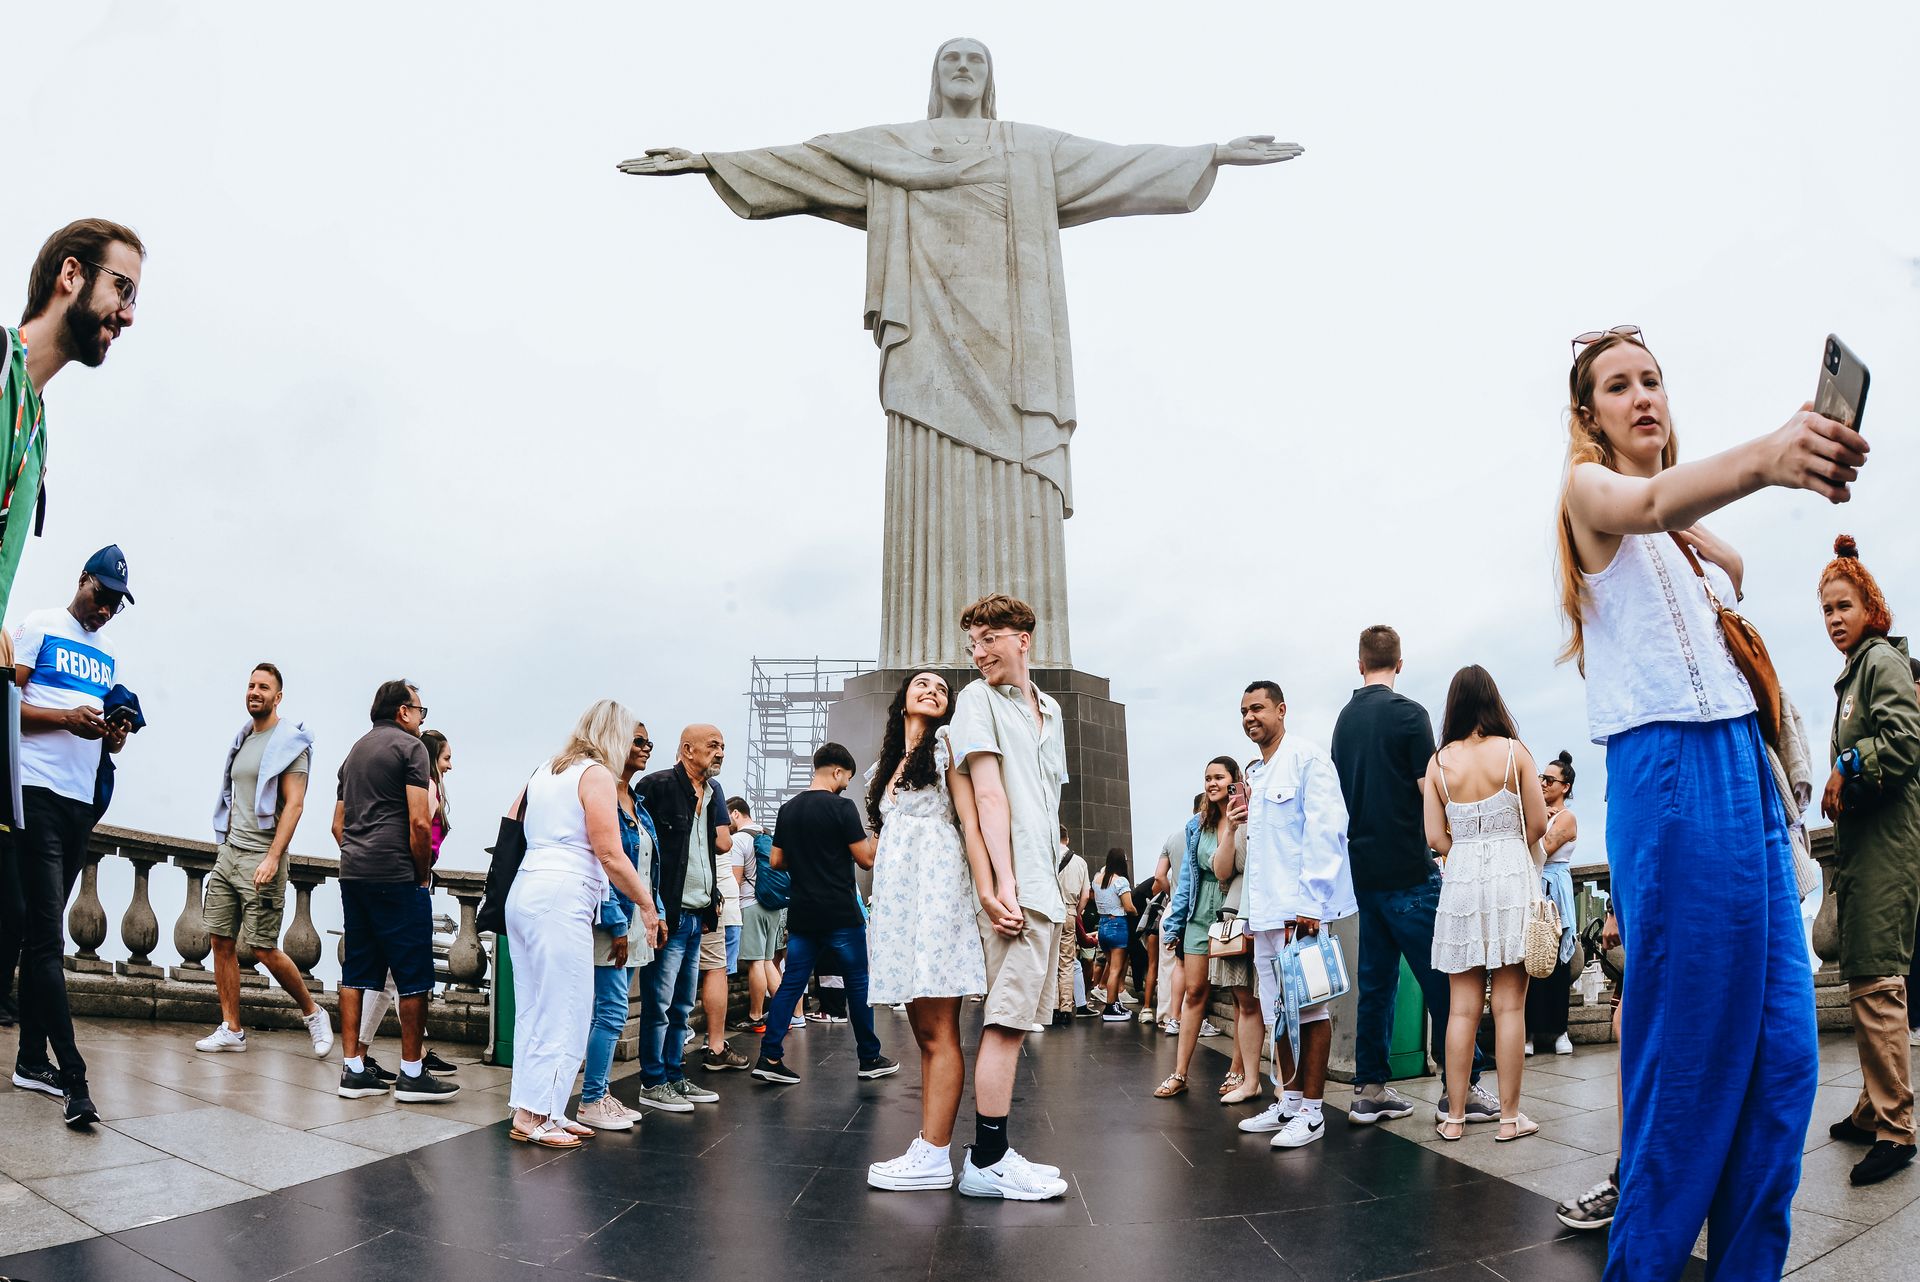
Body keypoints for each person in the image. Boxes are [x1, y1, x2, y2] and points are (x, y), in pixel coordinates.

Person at [1555, 327, 1860, 1279]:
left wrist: (1717, 537)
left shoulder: (1676, 539)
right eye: (1618, 386)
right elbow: (1642, 499)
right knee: (1682, 1072)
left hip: (1742, 775)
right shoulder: (1589, 495)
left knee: (1784, 1064)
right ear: (1589, 417)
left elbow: (1680, 516)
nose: (1643, 396)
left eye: (1654, 380)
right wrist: (1771, 457)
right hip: (1669, 775)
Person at [1329, 625, 1494, 1127]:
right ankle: (1459, 1088)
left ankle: (1370, 1089)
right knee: (1445, 981)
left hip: (1363, 873)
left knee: (1376, 984)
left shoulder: (1344, 721)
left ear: (1360, 664)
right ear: (1399, 664)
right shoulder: (1410, 714)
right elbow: (1430, 790)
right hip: (1409, 870)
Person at [6, 547, 137, 1125]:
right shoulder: (38, 625)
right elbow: (7, 709)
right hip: (33, 791)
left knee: (43, 938)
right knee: (45, 942)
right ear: (82, 580)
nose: (106, 609)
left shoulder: (106, 656)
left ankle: (32, 1061)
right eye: (101, 595)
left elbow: (102, 735)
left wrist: (112, 735)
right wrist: (64, 719)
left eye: (115, 603)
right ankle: (75, 1078)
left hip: (78, 805)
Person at [949, 592, 1070, 1199]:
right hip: (1015, 886)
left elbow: (1049, 802)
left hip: (1043, 884)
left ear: (1022, 638)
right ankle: (987, 1160)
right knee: (1003, 1021)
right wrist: (1000, 885)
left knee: (1017, 1022)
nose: (978, 653)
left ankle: (994, 1152)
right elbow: (987, 796)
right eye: (972, 643)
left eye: (988, 639)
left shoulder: (1048, 708)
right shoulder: (976, 700)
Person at [502, 700, 658, 1148]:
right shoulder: (597, 776)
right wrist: (645, 904)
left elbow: (513, 823)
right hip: (562, 895)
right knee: (568, 1008)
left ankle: (533, 1110)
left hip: (526, 889)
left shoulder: (545, 769)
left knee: (533, 1009)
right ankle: (542, 1117)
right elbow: (610, 853)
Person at [1816, 535, 1920, 1186]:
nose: (1833, 619)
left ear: (1870, 606)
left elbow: (1906, 741)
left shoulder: (1880, 662)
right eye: (1825, 609)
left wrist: (1846, 766)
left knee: (1879, 984)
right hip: (1860, 852)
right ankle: (1869, 1105)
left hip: (1886, 849)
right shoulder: (1854, 672)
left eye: (1843, 605)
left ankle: (1896, 1128)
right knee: (1862, 980)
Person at [863, 671, 990, 1190]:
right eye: (922, 683)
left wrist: (987, 890)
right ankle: (928, 1144)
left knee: (940, 1033)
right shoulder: (882, 767)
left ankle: (935, 1153)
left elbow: (971, 820)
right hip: (899, 903)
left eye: (942, 687)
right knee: (922, 1033)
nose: (933, 689)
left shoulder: (946, 748)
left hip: (936, 898)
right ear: (903, 701)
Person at [1424, 666, 1550, 1143]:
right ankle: (1509, 1117)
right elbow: (1537, 825)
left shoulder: (1438, 764)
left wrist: (1467, 858)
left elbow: (1436, 837)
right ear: (1493, 700)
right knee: (1510, 1007)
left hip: (1462, 881)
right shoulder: (1515, 752)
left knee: (1461, 1010)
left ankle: (1455, 1117)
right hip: (1511, 877)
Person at [1232, 681, 1357, 1150]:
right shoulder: (1257, 772)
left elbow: (1327, 830)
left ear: (1282, 710)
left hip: (1299, 911)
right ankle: (1288, 1098)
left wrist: (1311, 904)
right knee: (1275, 1011)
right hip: (1264, 913)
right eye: (1243, 711)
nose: (1249, 717)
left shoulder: (1306, 759)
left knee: (1310, 1006)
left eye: (1258, 708)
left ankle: (1312, 1112)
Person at [0, 220, 145, 621]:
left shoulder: (39, 431)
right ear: (71, 274)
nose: (129, 315)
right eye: (123, 288)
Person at [195, 663, 332, 1058]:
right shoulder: (243, 740)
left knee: (262, 948)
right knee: (220, 939)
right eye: (251, 685)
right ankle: (232, 1029)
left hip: (262, 855)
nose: (255, 692)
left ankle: (313, 1013)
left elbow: (295, 805)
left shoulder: (291, 743)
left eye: (264, 687)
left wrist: (273, 857)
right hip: (230, 852)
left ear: (278, 696)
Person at [331, 680, 457, 1104]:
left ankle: (352, 1071)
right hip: (397, 875)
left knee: (357, 973)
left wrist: (361, 856)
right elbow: (421, 823)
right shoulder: (411, 749)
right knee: (414, 976)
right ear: (404, 711)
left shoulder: (354, 753)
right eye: (421, 710)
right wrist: (420, 874)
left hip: (355, 874)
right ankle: (412, 1074)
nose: (423, 718)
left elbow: (338, 825)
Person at [750, 743, 897, 1084]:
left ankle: (769, 1056)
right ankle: (869, 1057)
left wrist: (805, 858)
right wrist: (879, 829)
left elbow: (776, 861)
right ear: (837, 771)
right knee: (859, 983)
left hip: (803, 913)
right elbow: (866, 859)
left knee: (791, 984)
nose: (846, 783)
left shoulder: (788, 810)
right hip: (841, 914)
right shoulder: (842, 808)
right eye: (846, 777)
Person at [630, 725, 732, 1112]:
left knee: (682, 1005)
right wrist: (651, 908)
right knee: (658, 1002)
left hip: (697, 913)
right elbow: (640, 849)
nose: (719, 752)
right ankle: (652, 1082)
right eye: (712, 746)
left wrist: (710, 901)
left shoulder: (712, 792)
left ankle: (674, 1075)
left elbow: (708, 851)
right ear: (687, 750)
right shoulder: (656, 787)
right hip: (669, 914)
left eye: (722, 746)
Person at [577, 720, 665, 1131]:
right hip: (612, 923)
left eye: (649, 741)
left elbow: (645, 868)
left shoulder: (636, 800)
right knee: (610, 1010)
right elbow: (603, 862)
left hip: (634, 920)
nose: (647, 747)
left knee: (612, 1010)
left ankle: (599, 1093)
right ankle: (593, 1098)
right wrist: (616, 924)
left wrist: (657, 910)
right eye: (638, 741)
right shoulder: (603, 793)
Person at [357, 727, 456, 1076]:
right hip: (408, 884)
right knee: (398, 978)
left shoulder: (417, 787)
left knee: (389, 980)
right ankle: (371, 1059)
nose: (450, 766)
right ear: (433, 758)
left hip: (397, 881)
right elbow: (418, 830)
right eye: (446, 758)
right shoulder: (428, 788)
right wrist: (420, 876)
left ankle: (364, 1057)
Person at [1156, 757, 1245, 1100]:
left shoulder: (1246, 817)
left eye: (1219, 777)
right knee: (1194, 993)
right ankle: (1180, 1073)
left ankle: (1237, 1070)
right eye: (1207, 778)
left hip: (1232, 910)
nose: (1212, 783)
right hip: (1198, 913)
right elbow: (1187, 881)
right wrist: (1175, 925)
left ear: (1234, 780)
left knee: (1240, 994)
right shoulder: (1197, 826)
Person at [1525, 751, 1581, 1057]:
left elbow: (1542, 849)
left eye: (1549, 779)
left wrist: (1534, 824)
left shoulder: (1566, 818)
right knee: (1530, 959)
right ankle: (1529, 1032)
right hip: (1534, 886)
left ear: (1565, 787)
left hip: (1554, 889)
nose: (1543, 783)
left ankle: (1560, 1030)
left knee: (1557, 960)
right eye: (1541, 778)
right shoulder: (1538, 814)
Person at [697, 781, 750, 1073]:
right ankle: (714, 1042)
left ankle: (697, 1041)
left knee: (708, 973)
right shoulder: (742, 837)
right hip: (729, 908)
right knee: (720, 973)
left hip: (715, 906)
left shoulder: (727, 836)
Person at [732, 797, 785, 1033]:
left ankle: (755, 1016)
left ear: (735, 814)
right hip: (773, 905)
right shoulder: (767, 835)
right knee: (767, 961)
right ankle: (785, 1015)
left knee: (755, 962)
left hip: (751, 905)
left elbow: (735, 880)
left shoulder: (739, 839)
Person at [1153, 798, 1199, 1032]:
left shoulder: (1173, 838)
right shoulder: (1204, 833)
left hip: (1172, 906)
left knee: (1167, 966)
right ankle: (1188, 1018)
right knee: (1189, 965)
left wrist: (1172, 895)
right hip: (1194, 905)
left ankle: (1165, 1015)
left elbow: (1159, 876)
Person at [1090, 849, 1135, 1023]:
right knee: (1116, 970)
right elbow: (1129, 906)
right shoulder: (1120, 881)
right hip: (1118, 925)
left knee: (1111, 966)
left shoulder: (1097, 880)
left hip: (1102, 926)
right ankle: (1110, 1008)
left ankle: (1115, 1003)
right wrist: (1136, 911)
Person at [1053, 825, 1091, 1023]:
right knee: (1067, 961)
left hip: (1049, 911)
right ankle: (1066, 1008)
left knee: (1050, 961)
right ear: (1067, 839)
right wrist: (1075, 913)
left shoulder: (1047, 857)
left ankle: (1051, 1006)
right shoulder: (1080, 862)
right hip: (1069, 911)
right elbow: (1085, 895)